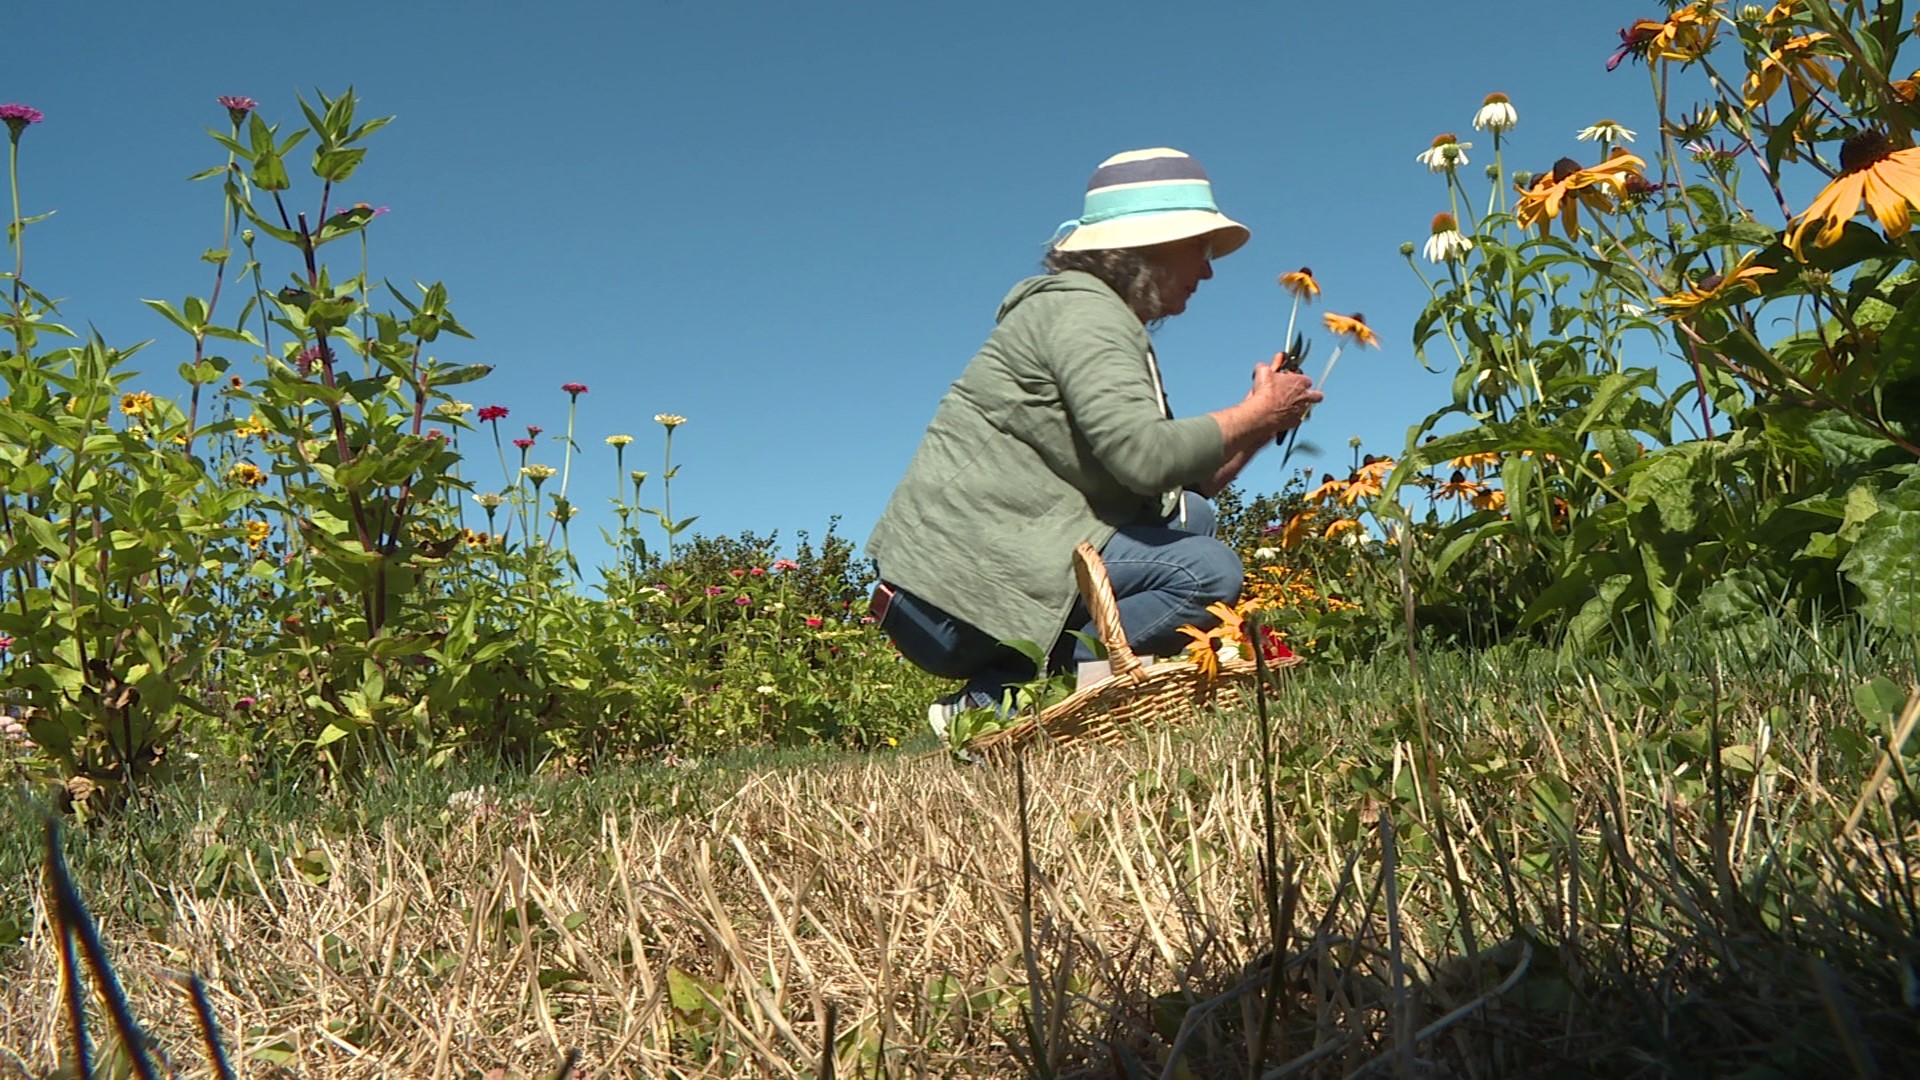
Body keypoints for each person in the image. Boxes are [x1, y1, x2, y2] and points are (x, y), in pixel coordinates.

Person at [866, 147, 1323, 735]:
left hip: (957, 589)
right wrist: (1252, 410)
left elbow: (1174, 487)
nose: (1208, 271)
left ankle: (1005, 695)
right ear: (1153, 243)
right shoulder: (1087, 317)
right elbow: (1148, 457)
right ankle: (1006, 699)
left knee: (1194, 519)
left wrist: (1262, 425)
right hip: (953, 595)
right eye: (1201, 248)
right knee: (1205, 571)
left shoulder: (1092, 318)